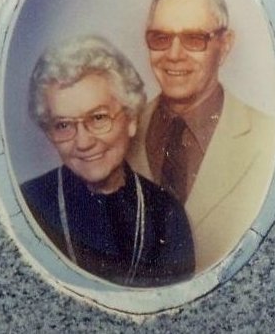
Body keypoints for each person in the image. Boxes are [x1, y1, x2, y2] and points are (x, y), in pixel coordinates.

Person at [127, 0, 275, 272]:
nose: (173, 54)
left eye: (194, 39)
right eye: (160, 38)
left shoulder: (268, 137)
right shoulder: (117, 136)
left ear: (224, 46)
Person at [21, 35, 195, 287]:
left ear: (132, 118)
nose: (83, 142)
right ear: (50, 133)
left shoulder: (166, 214)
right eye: (63, 125)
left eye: (98, 118)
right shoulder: (28, 205)